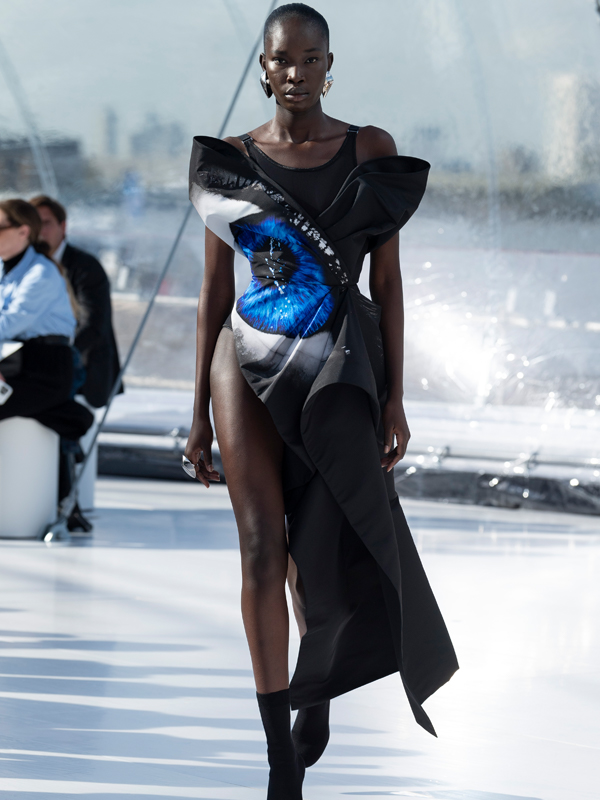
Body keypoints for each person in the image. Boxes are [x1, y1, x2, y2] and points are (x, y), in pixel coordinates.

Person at [185, 5, 459, 798]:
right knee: (261, 547)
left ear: (329, 66)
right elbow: (212, 292)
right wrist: (196, 414)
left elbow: (389, 283)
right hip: (245, 357)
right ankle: (279, 757)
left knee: (319, 550)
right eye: (283, 59)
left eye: (311, 59)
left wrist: (396, 395)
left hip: (338, 363)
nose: (296, 72)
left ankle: (318, 688)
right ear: (263, 67)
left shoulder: (369, 149)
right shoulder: (229, 160)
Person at [0, 199, 93, 469]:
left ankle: (69, 417)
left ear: (23, 231)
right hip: (16, 364)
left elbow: (8, 324)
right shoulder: (5, 269)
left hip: (45, 370)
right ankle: (69, 416)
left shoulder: (41, 273)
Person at [30, 195, 122, 410]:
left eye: (46, 223)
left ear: (63, 226)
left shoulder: (86, 267)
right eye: (35, 224)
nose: (40, 231)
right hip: (38, 373)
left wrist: (61, 358)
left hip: (84, 374)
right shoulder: (25, 267)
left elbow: (93, 323)